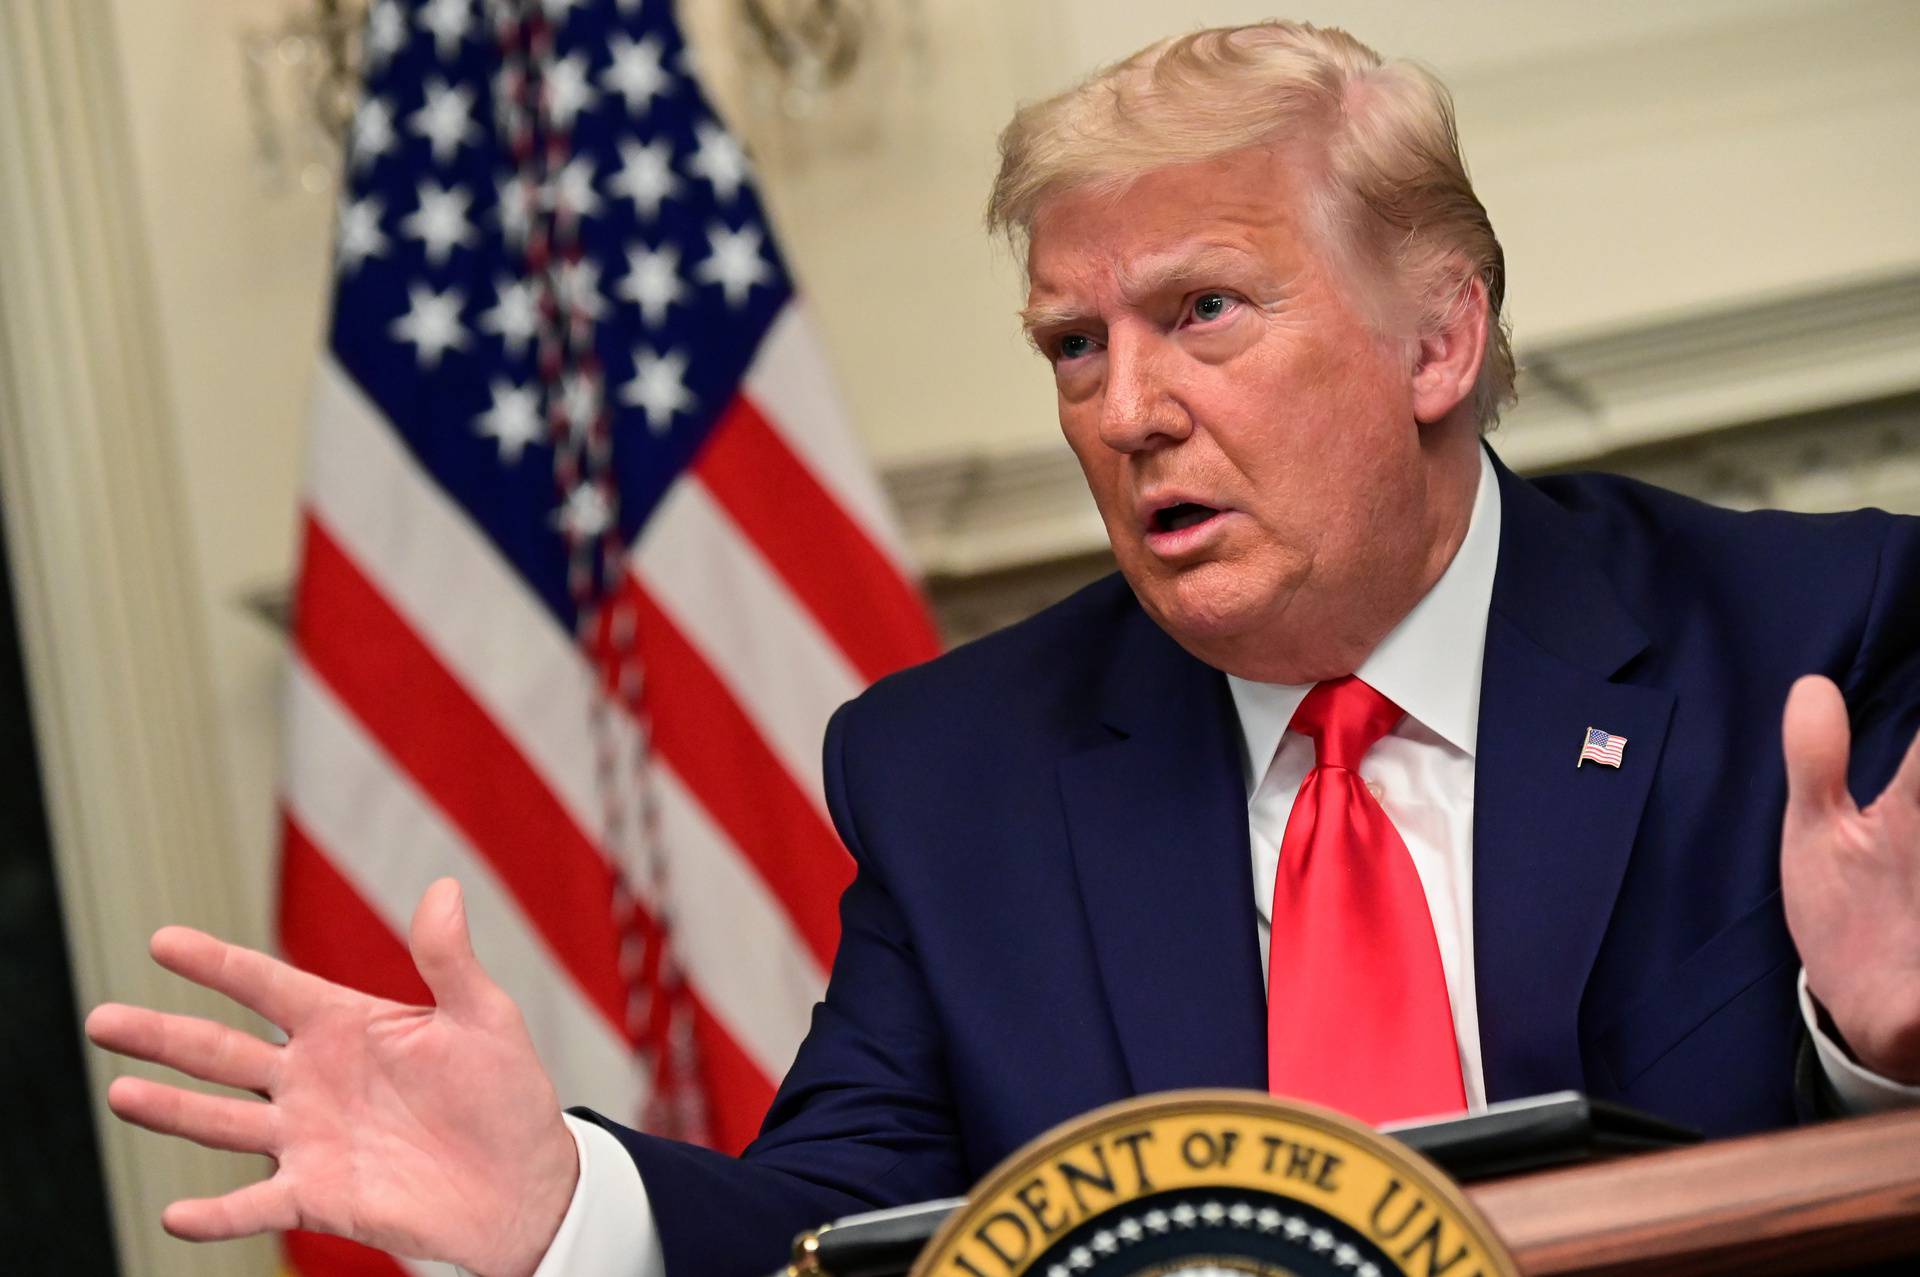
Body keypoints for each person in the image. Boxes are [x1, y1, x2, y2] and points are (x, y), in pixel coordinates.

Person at [87, 20, 1920, 1277]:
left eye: (1203, 312)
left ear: (1440, 339)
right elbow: (843, 1227)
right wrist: (576, 1207)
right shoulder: (962, 772)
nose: (1128, 410)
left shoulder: (1800, 644)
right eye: (1071, 344)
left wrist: (1876, 1049)